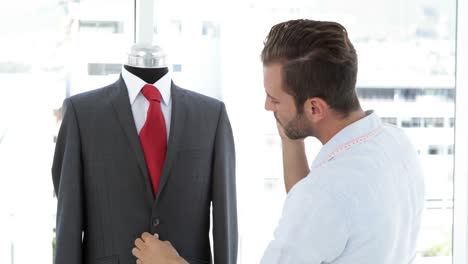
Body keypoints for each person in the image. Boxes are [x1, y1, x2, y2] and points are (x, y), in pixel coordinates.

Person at [131, 19, 425, 264]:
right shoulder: (396, 142)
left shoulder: (323, 195)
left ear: (314, 108)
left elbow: (318, 205)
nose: (267, 107)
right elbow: (322, 224)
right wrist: (291, 137)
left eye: (275, 99)